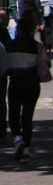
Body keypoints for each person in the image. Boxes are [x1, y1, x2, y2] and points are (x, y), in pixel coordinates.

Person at [6, 12, 45, 160]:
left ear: (19, 29)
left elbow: (6, 66)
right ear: (31, 31)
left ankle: (17, 138)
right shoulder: (37, 46)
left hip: (16, 82)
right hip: (32, 83)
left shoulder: (10, 46)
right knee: (28, 116)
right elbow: (44, 66)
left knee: (14, 113)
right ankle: (27, 146)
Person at [0, 8, 10, 146]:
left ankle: (2, 129)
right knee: (1, 101)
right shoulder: (3, 30)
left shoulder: (3, 30)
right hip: (1, 71)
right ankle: (1, 130)